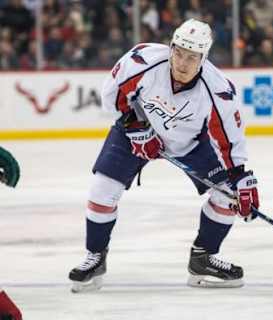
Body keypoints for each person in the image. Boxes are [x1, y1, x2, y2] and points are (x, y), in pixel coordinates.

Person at [68, 18, 260, 292]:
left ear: (203, 58)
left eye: (191, 57)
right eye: (178, 52)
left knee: (227, 195)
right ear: (171, 47)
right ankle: (95, 257)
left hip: (190, 142)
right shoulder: (143, 61)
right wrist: (134, 126)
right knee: (101, 190)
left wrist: (240, 178)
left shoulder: (218, 90)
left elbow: (229, 138)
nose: (182, 62)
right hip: (136, 132)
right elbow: (112, 93)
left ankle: (204, 258)